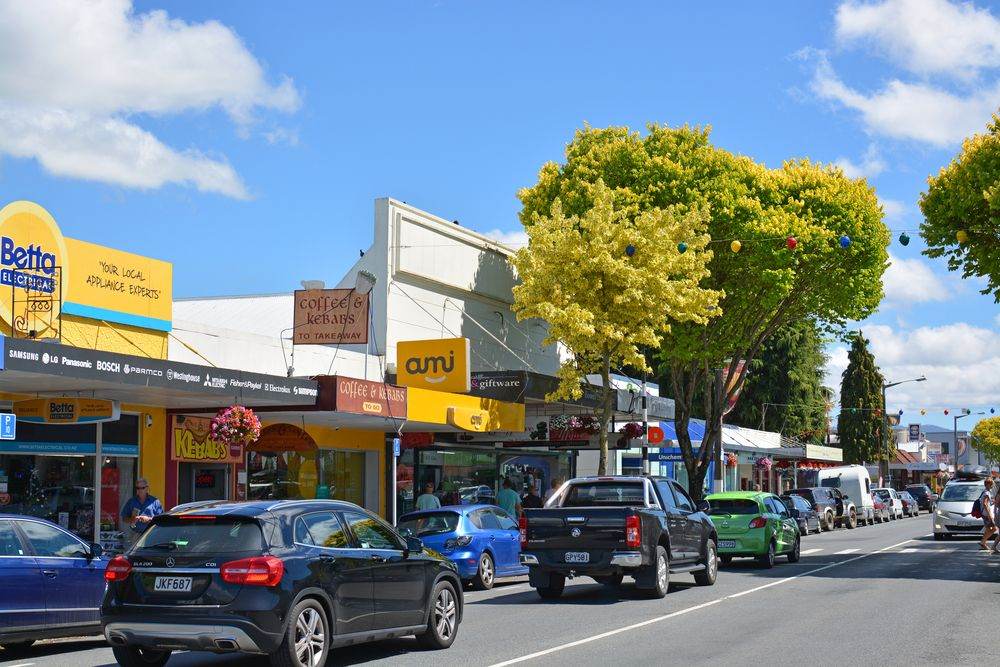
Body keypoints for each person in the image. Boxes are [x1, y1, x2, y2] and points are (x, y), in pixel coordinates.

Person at [120, 478, 163, 545]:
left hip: (151, 534)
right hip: (135, 534)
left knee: (149, 551)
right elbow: (124, 518)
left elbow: (160, 519)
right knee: (135, 552)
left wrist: (148, 519)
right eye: (138, 488)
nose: (140, 490)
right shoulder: (131, 501)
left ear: (147, 488)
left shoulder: (155, 502)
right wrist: (132, 519)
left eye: (142, 488)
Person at [978, 477, 996, 551]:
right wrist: (989, 515)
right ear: (988, 484)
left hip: (984, 514)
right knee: (994, 528)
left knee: (988, 528)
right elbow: (985, 504)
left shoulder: (985, 492)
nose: (992, 486)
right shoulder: (986, 493)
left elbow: (987, 503)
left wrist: (993, 501)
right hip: (986, 514)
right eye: (992, 484)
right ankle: (983, 542)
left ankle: (983, 543)